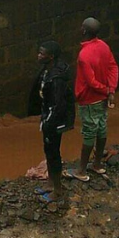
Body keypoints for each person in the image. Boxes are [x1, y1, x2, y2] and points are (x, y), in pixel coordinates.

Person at [67, 17, 119, 181]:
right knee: (101, 127)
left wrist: (105, 90)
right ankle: (97, 164)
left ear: (84, 31)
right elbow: (113, 67)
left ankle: (81, 170)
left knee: (89, 132)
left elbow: (90, 82)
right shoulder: (104, 46)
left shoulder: (84, 55)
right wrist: (111, 90)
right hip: (103, 98)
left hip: (89, 100)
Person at [36, 41, 73, 202]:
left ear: (50, 57)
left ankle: (57, 191)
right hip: (48, 117)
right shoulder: (48, 70)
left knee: (53, 154)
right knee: (48, 151)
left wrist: (48, 122)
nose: (38, 55)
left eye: (42, 53)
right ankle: (51, 183)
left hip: (54, 121)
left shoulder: (56, 78)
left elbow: (58, 105)